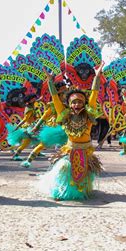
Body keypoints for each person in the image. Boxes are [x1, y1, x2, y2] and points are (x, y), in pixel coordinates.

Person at [38, 63, 104, 200]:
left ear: (84, 103)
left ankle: (80, 192)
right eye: (73, 102)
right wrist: (50, 81)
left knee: (83, 175)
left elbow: (94, 93)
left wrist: (97, 76)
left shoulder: (88, 113)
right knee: (64, 170)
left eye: (80, 102)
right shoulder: (65, 114)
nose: (76, 105)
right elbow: (55, 98)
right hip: (70, 150)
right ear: (69, 104)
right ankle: (62, 191)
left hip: (85, 151)